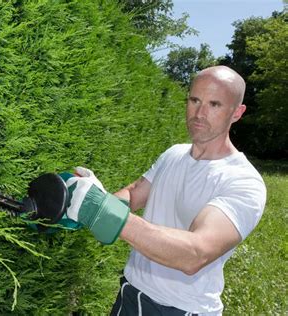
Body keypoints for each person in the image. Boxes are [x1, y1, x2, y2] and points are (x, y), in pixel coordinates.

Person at [63, 66, 266, 315]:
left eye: (215, 104)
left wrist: (103, 211)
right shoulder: (174, 153)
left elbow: (195, 253)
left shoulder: (243, 182)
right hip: (130, 292)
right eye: (194, 100)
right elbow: (135, 193)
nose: (200, 113)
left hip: (180, 309)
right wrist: (85, 200)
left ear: (237, 112)